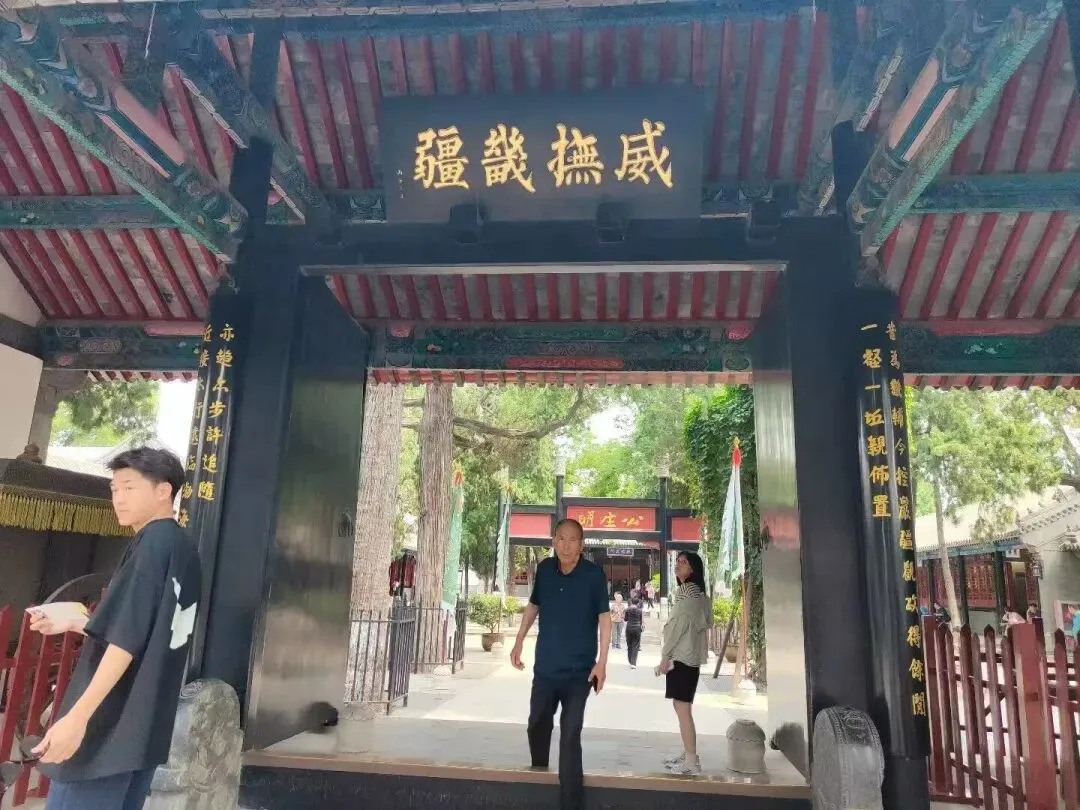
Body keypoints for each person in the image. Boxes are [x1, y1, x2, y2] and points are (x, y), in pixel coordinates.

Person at [28, 448, 201, 810]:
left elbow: (124, 643)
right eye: (114, 489)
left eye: (129, 487)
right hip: (143, 727)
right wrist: (77, 622)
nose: (118, 498)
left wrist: (77, 718)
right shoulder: (180, 546)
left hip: (108, 724)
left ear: (163, 491)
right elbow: (144, 629)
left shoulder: (151, 545)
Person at [511, 518, 611, 810]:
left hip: (580, 674)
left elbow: (605, 619)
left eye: (572, 540)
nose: (566, 546)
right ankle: (540, 773)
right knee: (537, 724)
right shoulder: (544, 569)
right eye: (561, 539)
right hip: (546, 669)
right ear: (553, 541)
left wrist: (602, 663)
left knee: (570, 733)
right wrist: (519, 640)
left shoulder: (594, 575)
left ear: (582, 545)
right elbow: (534, 606)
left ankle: (571, 803)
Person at [656, 552, 711, 776]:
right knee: (681, 707)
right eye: (677, 561)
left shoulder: (688, 593)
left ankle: (691, 761)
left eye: (683, 562)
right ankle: (688, 753)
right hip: (688, 657)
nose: (678, 565)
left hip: (682, 658)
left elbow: (676, 627)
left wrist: (665, 656)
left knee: (683, 709)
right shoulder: (697, 593)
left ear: (693, 569)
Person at [624, 595, 645, 668]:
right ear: (638, 603)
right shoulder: (640, 611)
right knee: (635, 645)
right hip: (637, 628)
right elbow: (641, 621)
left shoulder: (627, 610)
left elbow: (625, 619)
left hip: (629, 628)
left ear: (631, 602)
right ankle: (633, 663)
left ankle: (630, 661)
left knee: (629, 644)